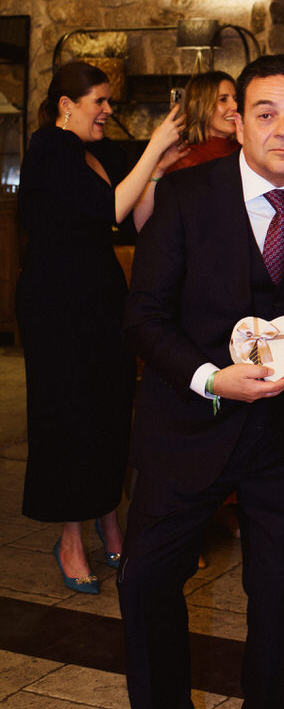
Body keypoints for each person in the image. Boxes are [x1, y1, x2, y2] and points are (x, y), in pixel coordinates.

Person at [102, 55, 284, 709]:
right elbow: (144, 317)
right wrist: (211, 377)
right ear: (236, 120)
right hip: (189, 425)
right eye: (265, 111)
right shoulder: (185, 196)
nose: (283, 127)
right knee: (145, 582)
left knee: (282, 594)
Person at [16, 60, 183, 594]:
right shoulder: (48, 149)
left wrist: (158, 166)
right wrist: (155, 146)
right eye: (100, 102)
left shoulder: (101, 150)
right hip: (56, 305)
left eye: (109, 101)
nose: (109, 110)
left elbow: (137, 215)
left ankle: (109, 519)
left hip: (103, 298)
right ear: (67, 105)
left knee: (111, 409)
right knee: (70, 416)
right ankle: (70, 537)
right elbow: (109, 208)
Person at [132, 70, 238, 230]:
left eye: (236, 99)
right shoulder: (182, 158)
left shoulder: (247, 153)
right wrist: (159, 168)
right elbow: (145, 225)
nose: (235, 106)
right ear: (202, 106)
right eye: (223, 99)